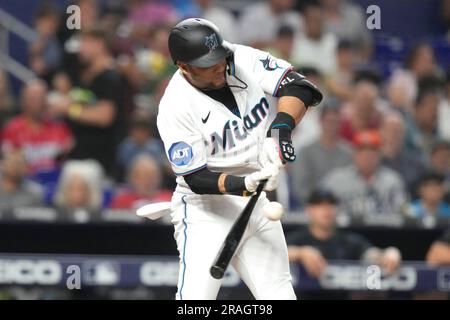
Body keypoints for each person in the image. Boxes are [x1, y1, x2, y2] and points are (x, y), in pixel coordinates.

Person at [157, 18, 322, 300]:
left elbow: (300, 86)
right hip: (204, 210)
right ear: (184, 67)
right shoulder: (175, 106)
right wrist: (244, 183)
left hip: (255, 202)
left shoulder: (238, 57)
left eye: (219, 57)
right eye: (208, 63)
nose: (220, 65)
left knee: (280, 295)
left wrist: (280, 129)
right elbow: (196, 178)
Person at [287, 189, 402, 298]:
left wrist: (389, 252)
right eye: (320, 205)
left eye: (330, 205)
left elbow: (371, 254)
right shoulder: (297, 239)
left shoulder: (349, 241)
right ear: (309, 209)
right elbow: (277, 254)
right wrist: (300, 253)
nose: (326, 210)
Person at [48, 26, 126, 177]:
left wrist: (68, 108)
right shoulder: (85, 75)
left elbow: (104, 116)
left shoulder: (109, 77)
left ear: (99, 44)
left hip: (98, 159)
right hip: (77, 153)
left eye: (85, 42)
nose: (80, 48)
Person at [321, 130, 407, 218]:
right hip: (345, 230)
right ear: (353, 153)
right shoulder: (336, 180)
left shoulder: (392, 180)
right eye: (361, 150)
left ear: (380, 154)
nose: (367, 155)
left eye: (372, 150)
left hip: (384, 230)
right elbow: (320, 208)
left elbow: (403, 214)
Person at [1, 80, 73, 175]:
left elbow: (67, 156)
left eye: (41, 98)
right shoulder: (12, 129)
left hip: (55, 182)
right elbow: (7, 163)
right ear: (23, 101)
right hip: (25, 183)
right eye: (33, 98)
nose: (37, 103)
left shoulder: (59, 127)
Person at [289, 101, 352, 205]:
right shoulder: (306, 152)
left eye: (336, 122)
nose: (333, 126)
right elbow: (299, 188)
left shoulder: (349, 152)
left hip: (342, 207)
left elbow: (353, 183)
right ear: (321, 121)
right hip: (311, 208)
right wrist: (320, 203)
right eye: (329, 121)